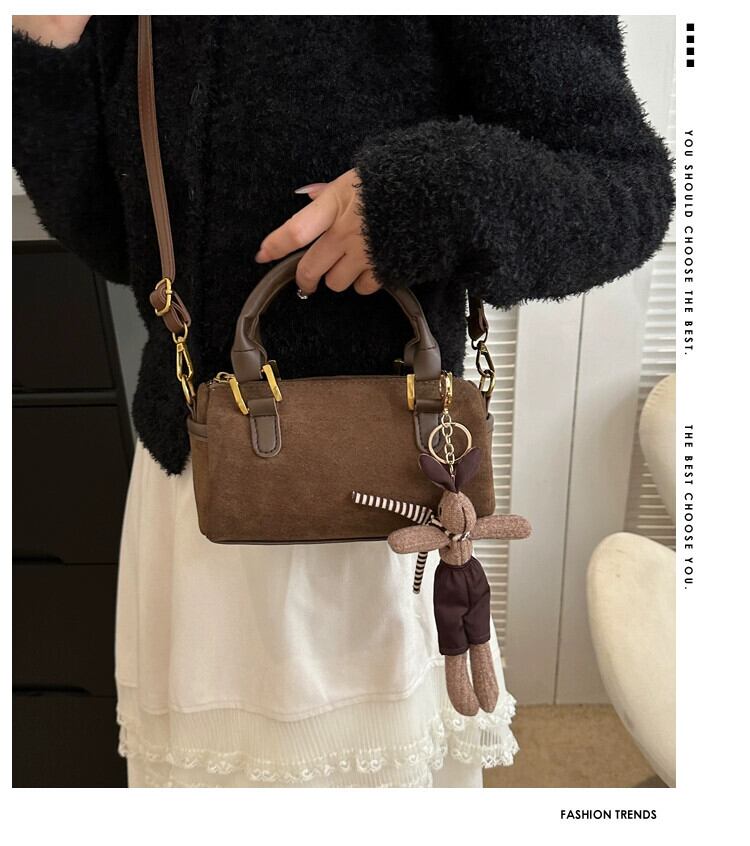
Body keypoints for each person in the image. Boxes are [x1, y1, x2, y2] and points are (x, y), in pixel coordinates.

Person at [12, 14, 675, 788]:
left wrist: (416, 201)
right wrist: (50, 50)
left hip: (383, 510)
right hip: (198, 487)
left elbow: (622, 187)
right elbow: (123, 237)